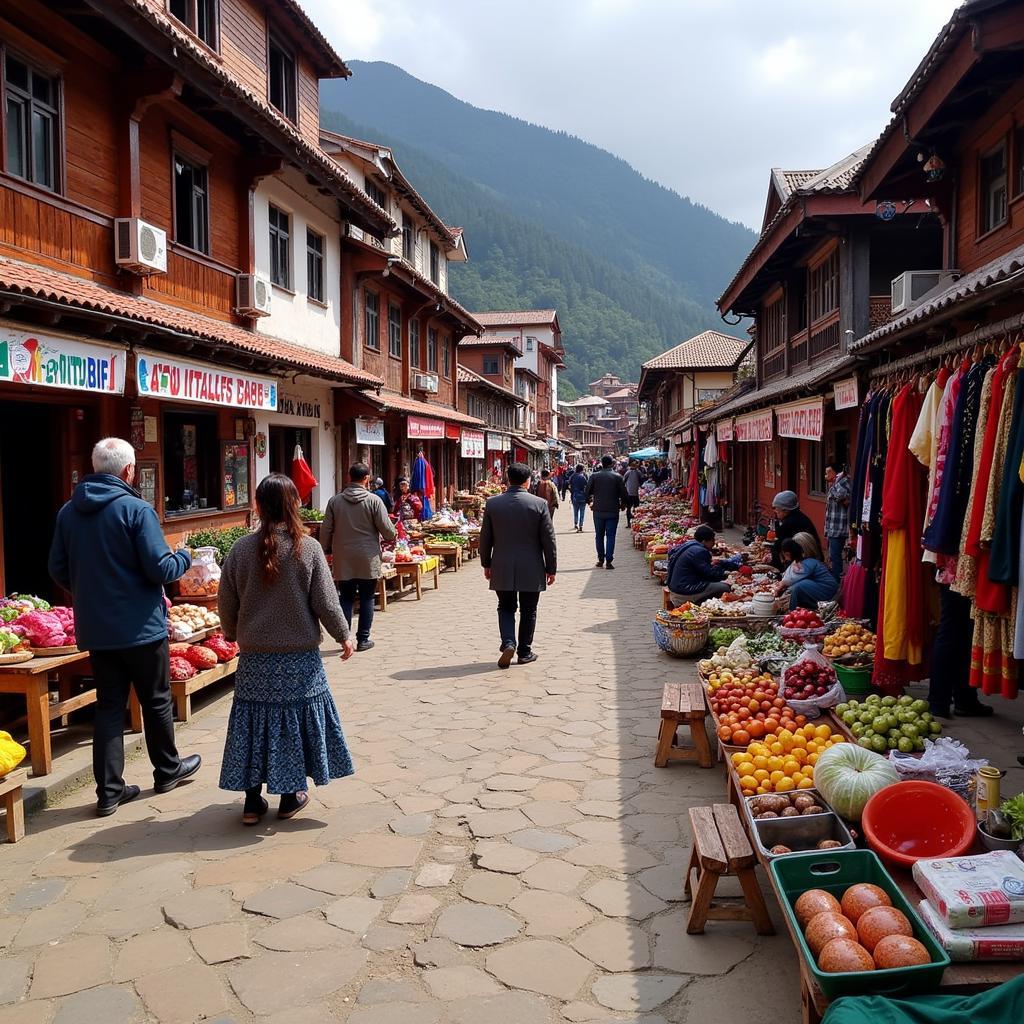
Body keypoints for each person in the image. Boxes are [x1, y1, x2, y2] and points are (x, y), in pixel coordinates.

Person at [48, 437, 201, 816]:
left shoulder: (69, 512)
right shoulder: (135, 509)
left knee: (110, 706)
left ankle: (109, 791)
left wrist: (87, 592)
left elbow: (57, 568)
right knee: (156, 700)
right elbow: (159, 568)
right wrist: (184, 556)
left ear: (96, 466)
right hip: (141, 628)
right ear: (129, 470)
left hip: (98, 630)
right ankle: (167, 770)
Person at [218, 474, 355, 824]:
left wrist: (232, 633)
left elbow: (226, 601)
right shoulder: (306, 548)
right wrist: (344, 635)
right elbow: (325, 600)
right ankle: (289, 795)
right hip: (300, 661)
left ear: (259, 506)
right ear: (294, 505)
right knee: (291, 725)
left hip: (255, 660)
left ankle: (251, 803)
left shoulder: (240, 549)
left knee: (254, 723)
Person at [479, 463, 557, 669]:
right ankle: (524, 652)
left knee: (505, 607)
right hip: (532, 566)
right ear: (527, 481)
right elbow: (549, 540)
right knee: (529, 609)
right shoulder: (539, 504)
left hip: (502, 564)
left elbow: (485, 538)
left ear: (507, 479)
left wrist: (486, 563)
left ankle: (508, 642)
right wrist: (552, 568)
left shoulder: (493, 503)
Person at [322, 463, 397, 652]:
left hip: (343, 557)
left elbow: (326, 529)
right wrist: (391, 534)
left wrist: (324, 549)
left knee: (345, 598)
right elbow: (387, 531)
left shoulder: (335, 502)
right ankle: (363, 639)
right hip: (368, 557)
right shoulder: (374, 501)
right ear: (367, 478)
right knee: (366, 597)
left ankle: (344, 639)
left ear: (349, 477)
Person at [666, 525, 741, 605]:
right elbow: (710, 574)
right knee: (724, 587)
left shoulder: (690, 544)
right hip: (684, 592)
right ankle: (702, 603)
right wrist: (726, 574)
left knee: (717, 584)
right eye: (712, 540)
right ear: (704, 541)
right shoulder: (699, 551)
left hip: (676, 588)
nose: (714, 543)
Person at [586, 454, 627, 569]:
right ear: (612, 464)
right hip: (613, 510)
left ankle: (600, 559)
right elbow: (624, 493)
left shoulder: (594, 476)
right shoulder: (617, 477)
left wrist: (590, 502)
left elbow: (587, 491)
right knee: (611, 536)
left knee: (599, 536)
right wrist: (623, 504)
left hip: (598, 511)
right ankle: (609, 561)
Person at [774, 538, 838, 611]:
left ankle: (792, 613)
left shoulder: (806, 564)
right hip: (822, 588)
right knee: (798, 586)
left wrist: (780, 586)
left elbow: (790, 580)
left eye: (785, 555)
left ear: (788, 553)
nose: (785, 559)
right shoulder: (803, 561)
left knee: (798, 587)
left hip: (827, 590)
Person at [770, 490, 822, 570]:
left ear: (785, 510)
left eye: (776, 508)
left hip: (805, 559)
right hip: (811, 556)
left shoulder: (791, 522)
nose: (775, 511)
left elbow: (779, 543)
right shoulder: (799, 516)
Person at [823, 463, 851, 583]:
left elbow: (842, 496)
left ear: (836, 472)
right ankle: (835, 578)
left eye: (828, 472)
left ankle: (836, 581)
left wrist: (835, 483)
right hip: (833, 526)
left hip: (839, 526)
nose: (826, 475)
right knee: (833, 555)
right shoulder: (835, 483)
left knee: (835, 555)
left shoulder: (843, 481)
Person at [623, 459, 643, 526]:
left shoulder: (627, 473)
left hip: (629, 493)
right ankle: (636, 522)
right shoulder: (638, 472)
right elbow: (641, 481)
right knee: (636, 508)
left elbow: (623, 482)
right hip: (636, 493)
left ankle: (629, 523)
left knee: (628, 508)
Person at [569, 464, 589, 532]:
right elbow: (586, 485)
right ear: (582, 469)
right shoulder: (583, 477)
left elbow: (569, 485)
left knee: (575, 511)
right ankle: (581, 525)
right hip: (582, 496)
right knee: (582, 512)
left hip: (574, 496)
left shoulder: (572, 476)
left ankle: (575, 524)